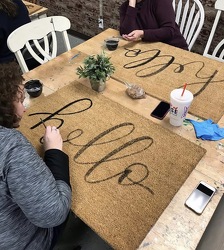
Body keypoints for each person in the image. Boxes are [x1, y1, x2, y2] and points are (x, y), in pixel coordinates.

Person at [0, 61, 72, 249]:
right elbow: (53, 213)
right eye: (19, 100)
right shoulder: (11, 147)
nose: (25, 108)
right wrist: (54, 152)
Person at [119, 0, 189, 50]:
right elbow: (126, 33)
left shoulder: (160, 1)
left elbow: (169, 30)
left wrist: (143, 34)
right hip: (149, 49)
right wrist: (132, 5)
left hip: (173, 48)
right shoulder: (125, 7)